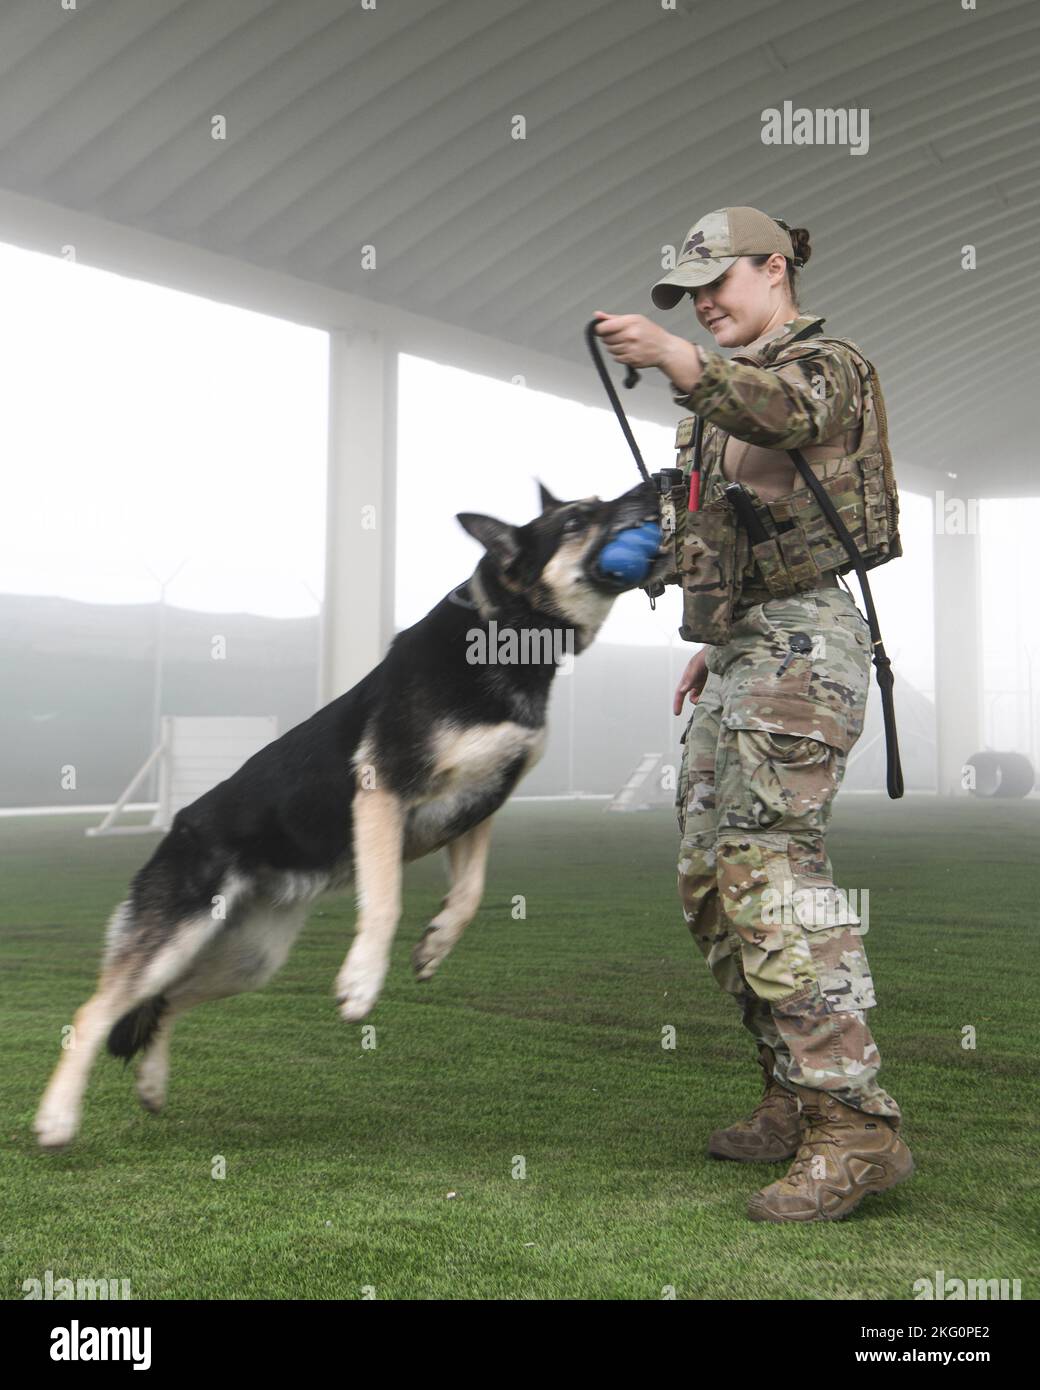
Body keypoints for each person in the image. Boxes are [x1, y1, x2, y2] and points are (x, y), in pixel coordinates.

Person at [593, 206, 912, 1222]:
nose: (703, 303)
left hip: (802, 644)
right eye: (690, 290)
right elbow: (730, 525)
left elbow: (784, 418)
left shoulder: (828, 367)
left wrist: (682, 359)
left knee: (771, 874)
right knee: (708, 880)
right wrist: (700, 629)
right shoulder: (708, 401)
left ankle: (853, 1125)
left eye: (717, 281)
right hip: (741, 649)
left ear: (773, 269)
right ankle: (789, 1086)